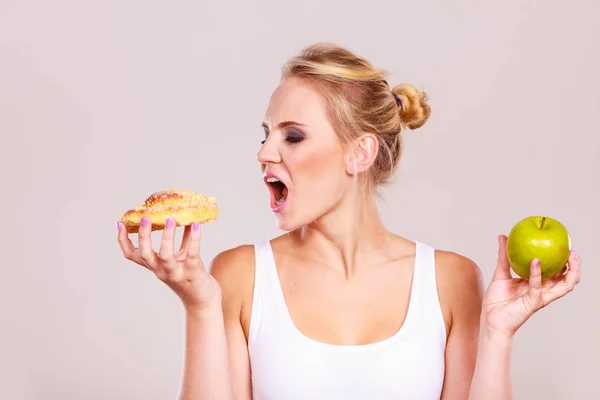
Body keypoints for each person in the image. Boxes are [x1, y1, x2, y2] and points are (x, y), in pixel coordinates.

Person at [116, 43, 582, 400]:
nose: (264, 154)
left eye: (293, 136)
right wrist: (199, 307)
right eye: (266, 134)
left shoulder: (451, 280)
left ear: (360, 152)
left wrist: (498, 337)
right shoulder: (238, 275)